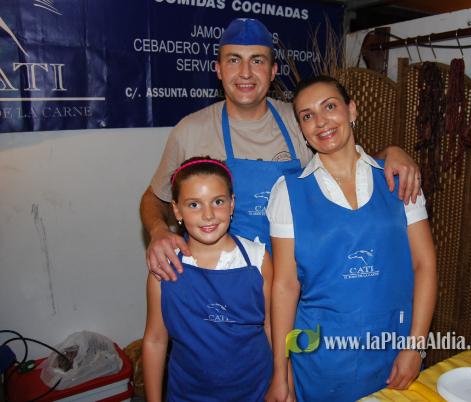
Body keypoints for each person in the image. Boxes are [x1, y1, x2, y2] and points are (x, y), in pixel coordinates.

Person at [140, 18, 422, 281]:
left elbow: (348, 163)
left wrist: (389, 154)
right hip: (219, 281)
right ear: (218, 69)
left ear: (273, 71)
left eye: (257, 60)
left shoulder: (300, 119)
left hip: (296, 279)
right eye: (234, 60)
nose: (246, 72)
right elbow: (154, 198)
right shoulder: (190, 131)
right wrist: (158, 230)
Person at [266, 76, 437, 402]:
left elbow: (424, 264)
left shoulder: (398, 178)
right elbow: (285, 286)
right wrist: (280, 370)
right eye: (307, 115)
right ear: (301, 128)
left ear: (352, 110)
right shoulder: (288, 192)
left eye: (330, 106)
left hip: (393, 348)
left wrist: (416, 346)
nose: (321, 122)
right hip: (320, 361)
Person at [142, 157, 273, 401]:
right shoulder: (164, 268)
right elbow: (156, 340)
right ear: (176, 210)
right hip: (188, 394)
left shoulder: (258, 259)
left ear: (232, 204)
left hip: (256, 391)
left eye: (218, 202)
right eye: (194, 204)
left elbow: (271, 327)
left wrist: (283, 379)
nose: (208, 215)